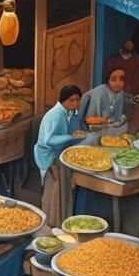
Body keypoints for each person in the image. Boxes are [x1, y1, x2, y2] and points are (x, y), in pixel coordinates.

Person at [34, 85, 84, 228]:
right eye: (71, 100)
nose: (75, 104)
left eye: (77, 100)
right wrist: (70, 136)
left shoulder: (67, 113)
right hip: (50, 158)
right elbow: (49, 140)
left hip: (58, 154)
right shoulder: (56, 114)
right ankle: (53, 224)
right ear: (63, 100)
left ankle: (62, 220)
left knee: (62, 191)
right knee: (54, 194)